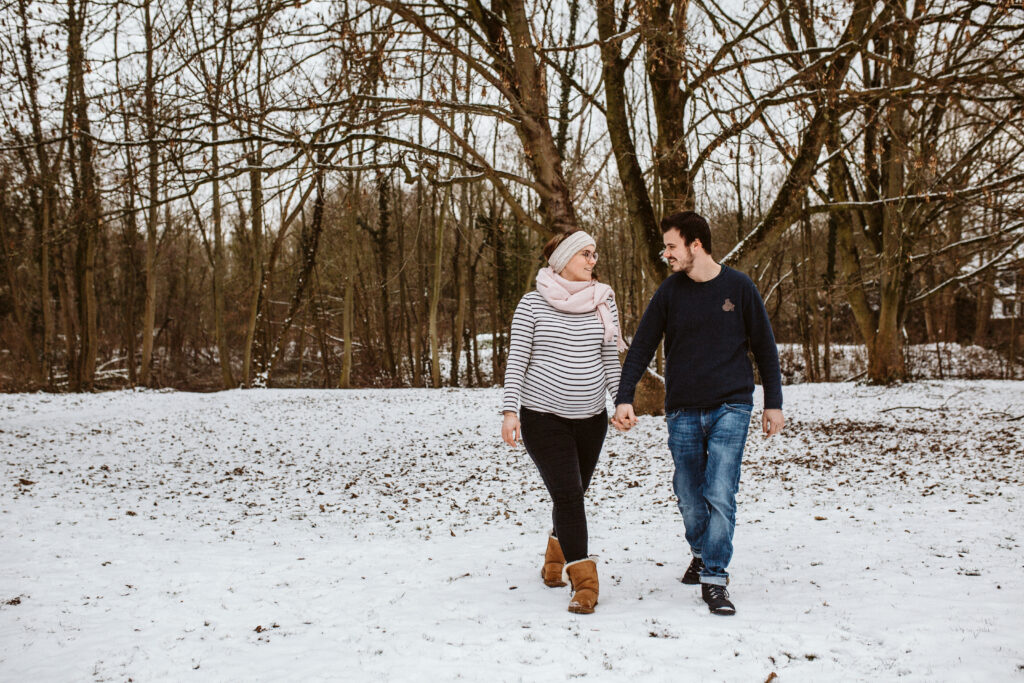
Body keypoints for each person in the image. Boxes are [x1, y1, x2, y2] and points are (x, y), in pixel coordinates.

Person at [612, 211, 784, 616]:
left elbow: (764, 346)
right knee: (689, 495)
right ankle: (702, 552)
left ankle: (715, 578)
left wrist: (773, 402)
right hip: (683, 410)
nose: (666, 254)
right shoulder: (669, 292)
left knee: (720, 490)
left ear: (696, 244)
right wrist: (624, 397)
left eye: (672, 246)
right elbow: (641, 346)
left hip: (732, 405)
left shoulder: (739, 287)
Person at [501, 229, 626, 615]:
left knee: (571, 494)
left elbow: (609, 358)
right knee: (569, 495)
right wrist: (509, 411)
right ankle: (585, 581)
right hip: (543, 418)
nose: (593, 260)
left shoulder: (603, 301)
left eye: (594, 253)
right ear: (562, 260)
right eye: (585, 253)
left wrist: (622, 401)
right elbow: (517, 359)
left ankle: (555, 556)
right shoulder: (532, 304)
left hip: (591, 419)